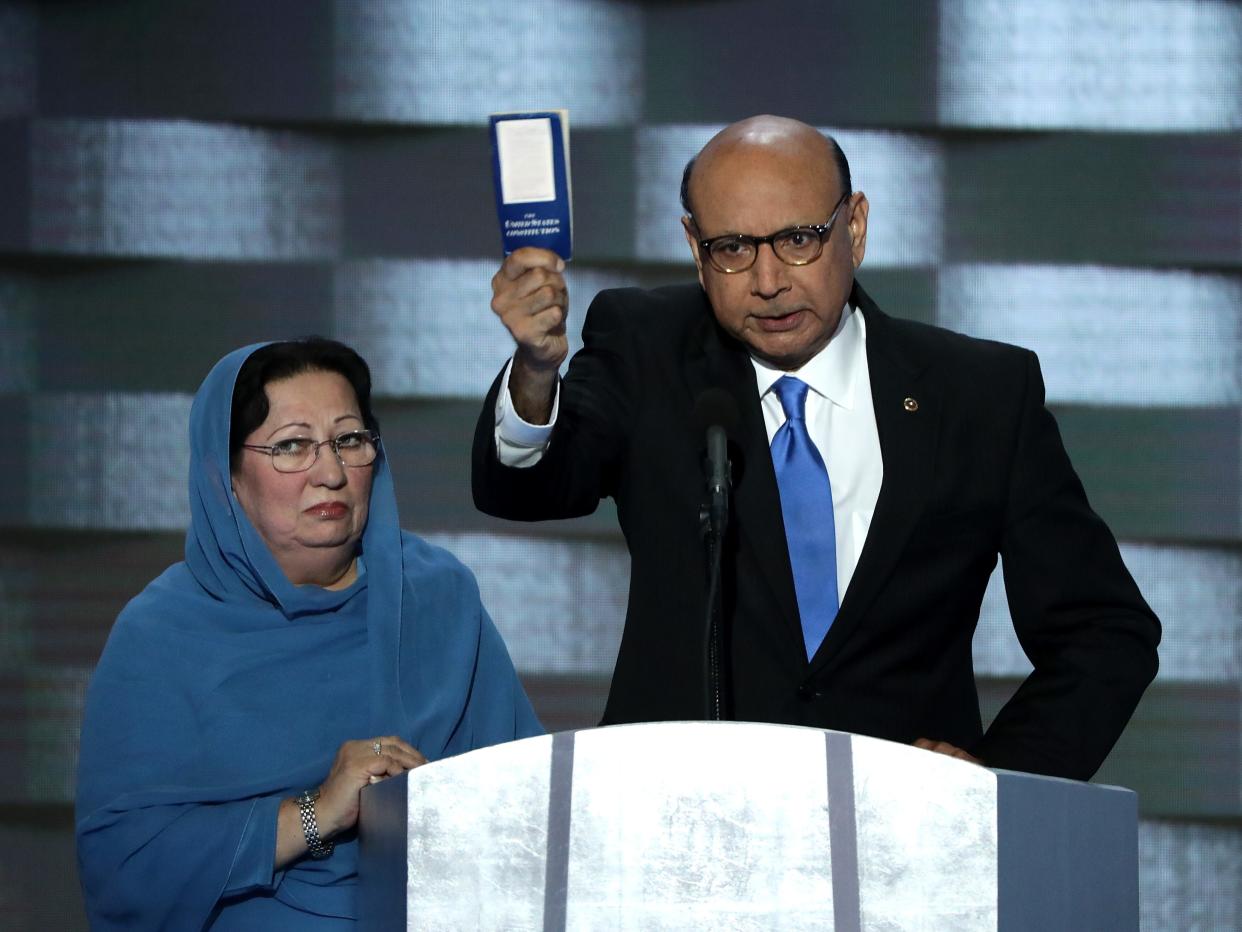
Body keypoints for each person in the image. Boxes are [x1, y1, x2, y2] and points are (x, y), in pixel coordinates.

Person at [472, 114, 1160, 781]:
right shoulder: (647, 345)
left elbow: (1102, 632)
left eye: (799, 239)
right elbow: (532, 486)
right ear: (694, 245)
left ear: (853, 226)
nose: (769, 281)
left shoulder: (979, 394)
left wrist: (994, 782)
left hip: (905, 841)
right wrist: (536, 373)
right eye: (733, 248)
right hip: (679, 833)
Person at [77, 338, 542, 930]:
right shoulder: (162, 633)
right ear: (226, 476)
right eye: (292, 446)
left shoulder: (438, 597)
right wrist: (315, 814)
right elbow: (123, 870)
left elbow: (529, 807)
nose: (330, 473)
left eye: (350, 440)